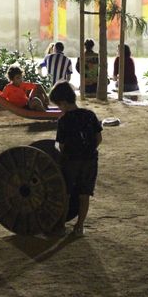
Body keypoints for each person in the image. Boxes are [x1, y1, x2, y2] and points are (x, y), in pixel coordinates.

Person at [49, 80, 102, 237]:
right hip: (90, 160)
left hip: (71, 162)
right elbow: (98, 138)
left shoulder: (64, 121)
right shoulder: (90, 115)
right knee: (84, 194)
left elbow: (62, 146)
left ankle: (60, 227)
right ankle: (79, 227)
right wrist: (88, 150)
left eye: (59, 106)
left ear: (63, 103)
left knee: (66, 194)